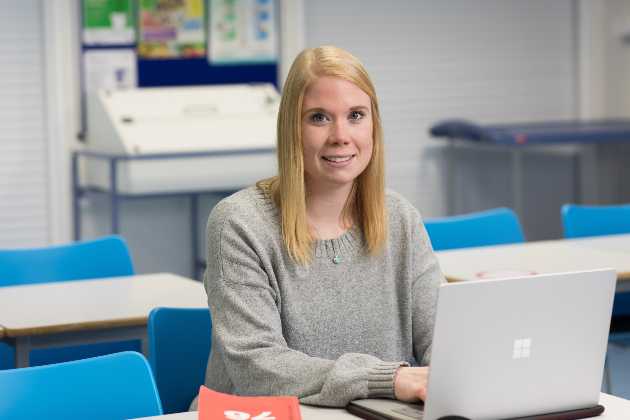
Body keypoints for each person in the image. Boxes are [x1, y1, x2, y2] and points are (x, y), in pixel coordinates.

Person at [194, 45, 445, 408]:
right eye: (319, 118)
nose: (340, 135)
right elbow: (257, 367)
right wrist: (387, 379)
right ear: (292, 129)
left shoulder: (400, 218)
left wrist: (454, 371)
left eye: (356, 115)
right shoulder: (239, 223)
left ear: (374, 124)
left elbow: (443, 338)